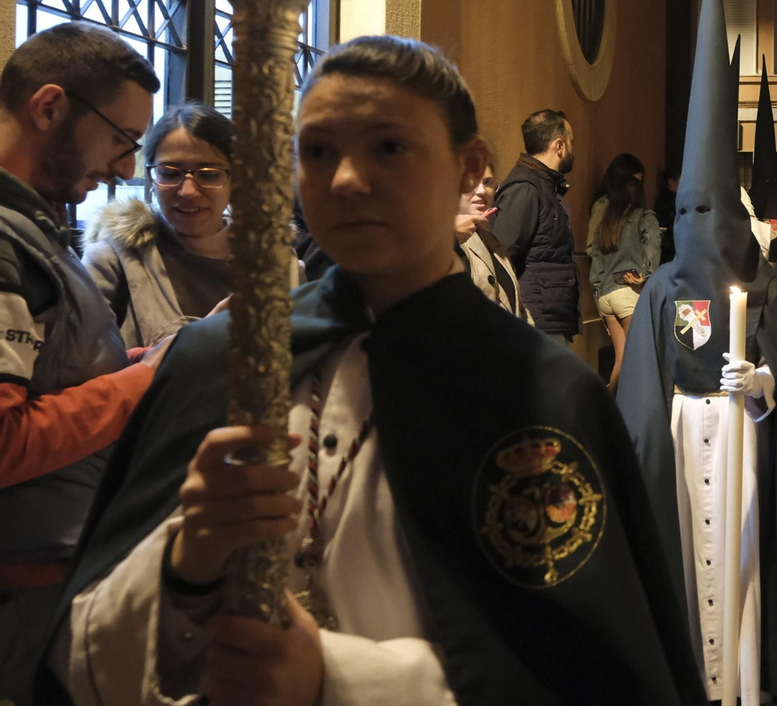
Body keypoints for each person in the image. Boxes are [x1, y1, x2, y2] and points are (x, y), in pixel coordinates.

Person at [39, 35, 706, 706]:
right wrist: (186, 568)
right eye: (318, 151)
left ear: (468, 164)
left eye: (388, 146)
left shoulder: (544, 393)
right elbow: (77, 660)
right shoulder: (222, 358)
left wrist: (340, 678)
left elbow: (597, 675)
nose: (347, 179)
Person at [616, 0, 777, 705]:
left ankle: (751, 680)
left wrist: (764, 383)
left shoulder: (768, 287)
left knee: (744, 565)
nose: (700, 225)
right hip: (682, 447)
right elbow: (638, 408)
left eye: (713, 209)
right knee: (686, 561)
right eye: (689, 209)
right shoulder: (658, 293)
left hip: (747, 446)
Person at [0, 22, 170, 706]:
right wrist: (146, 380)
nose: (127, 169)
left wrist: (152, 356)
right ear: (48, 107)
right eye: (122, 139)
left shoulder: (32, 228)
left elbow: (53, 370)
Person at [84, 103, 236, 348]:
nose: (187, 191)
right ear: (151, 177)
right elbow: (83, 371)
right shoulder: (113, 262)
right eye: (169, 173)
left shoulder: (278, 263)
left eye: (208, 174)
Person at [493, 109, 578, 340]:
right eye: (571, 142)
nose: (573, 149)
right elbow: (502, 254)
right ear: (559, 146)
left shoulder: (545, 186)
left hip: (547, 318)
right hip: (535, 322)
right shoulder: (526, 188)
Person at [589, 173, 660, 393]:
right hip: (628, 292)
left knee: (621, 359)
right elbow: (653, 245)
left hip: (606, 296)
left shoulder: (605, 224)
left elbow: (596, 268)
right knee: (635, 358)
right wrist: (648, 276)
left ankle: (611, 409)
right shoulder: (644, 217)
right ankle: (613, 407)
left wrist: (600, 301)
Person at [455, 161, 530, 322]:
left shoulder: (491, 239)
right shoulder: (436, 239)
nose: (482, 191)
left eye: (487, 182)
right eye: (470, 182)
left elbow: (516, 306)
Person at [654, 167, 680, 263]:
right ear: (671, 182)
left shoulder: (664, 201)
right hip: (670, 248)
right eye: (679, 182)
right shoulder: (668, 202)